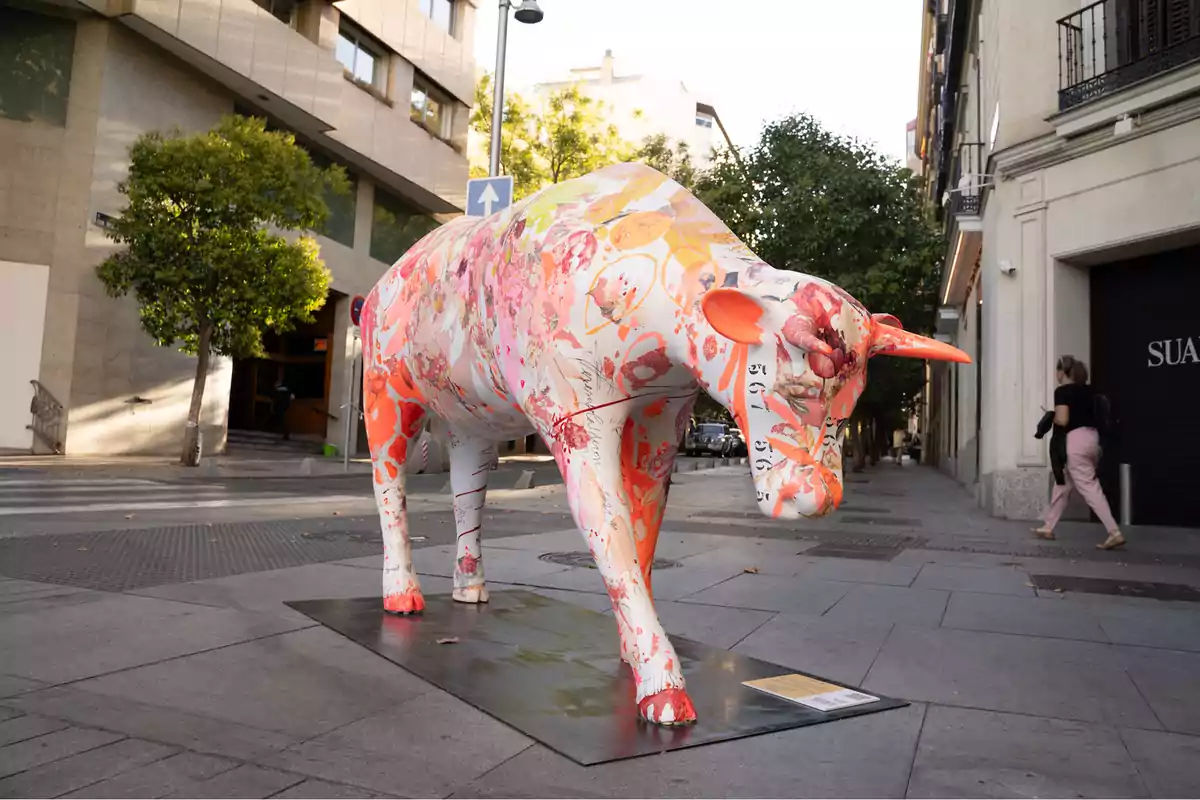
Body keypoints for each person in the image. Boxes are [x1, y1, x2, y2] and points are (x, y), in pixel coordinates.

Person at [1033, 355, 1125, 550]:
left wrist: (1050, 417)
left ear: (1063, 372)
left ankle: (1114, 531)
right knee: (1063, 483)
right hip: (1092, 440)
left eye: (1057, 371)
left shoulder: (1063, 391)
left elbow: (1064, 420)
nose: (1056, 375)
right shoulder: (1091, 392)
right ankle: (1048, 525)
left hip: (1074, 441)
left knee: (1089, 486)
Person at [273, 375, 294, 441]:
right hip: (286, 406)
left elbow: (276, 399)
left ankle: (284, 434)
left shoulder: (278, 392)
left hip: (280, 407)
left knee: (282, 420)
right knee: (284, 420)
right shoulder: (288, 391)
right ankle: (285, 434)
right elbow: (292, 398)